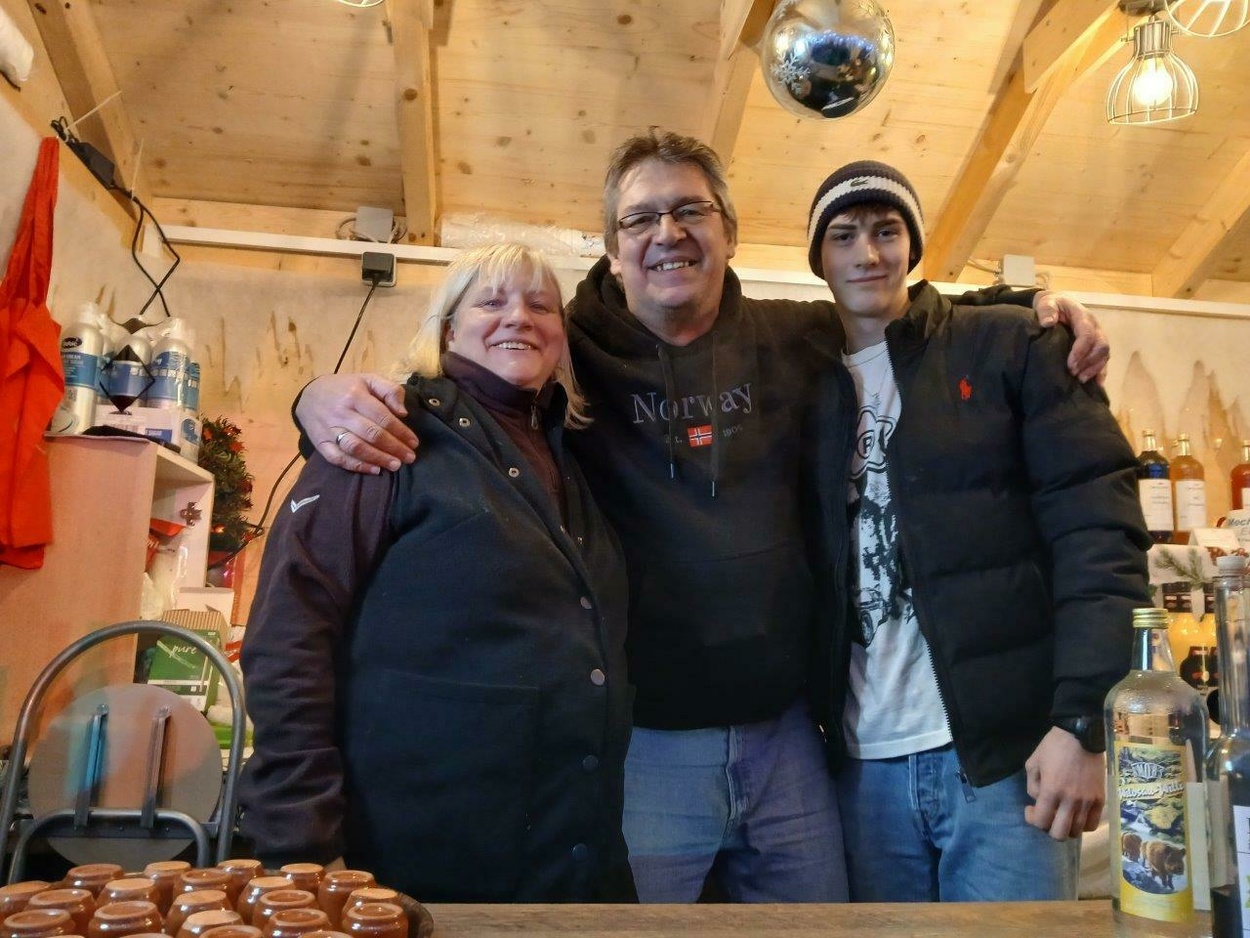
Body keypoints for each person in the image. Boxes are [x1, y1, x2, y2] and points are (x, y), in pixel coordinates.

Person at [291, 130, 1110, 904]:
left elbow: (894, 310)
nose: (668, 233)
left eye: (690, 210)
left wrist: (1032, 309)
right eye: (641, 218)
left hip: (790, 740)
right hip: (648, 747)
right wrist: (315, 398)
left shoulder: (793, 336)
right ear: (613, 246)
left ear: (730, 232)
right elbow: (469, 374)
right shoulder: (568, 348)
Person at [237, 243, 635, 903]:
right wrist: (299, 839)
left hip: (568, 857)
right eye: (491, 301)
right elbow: (290, 633)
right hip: (419, 860)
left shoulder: (571, 457)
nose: (520, 317)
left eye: (541, 305)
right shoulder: (382, 432)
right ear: (447, 330)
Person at [800, 160, 1150, 902]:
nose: (868, 253)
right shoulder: (800, 378)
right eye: (844, 235)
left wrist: (1083, 723)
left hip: (1005, 760)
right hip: (860, 771)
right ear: (819, 258)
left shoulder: (1013, 346)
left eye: (887, 231)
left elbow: (1100, 536)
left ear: (914, 245)